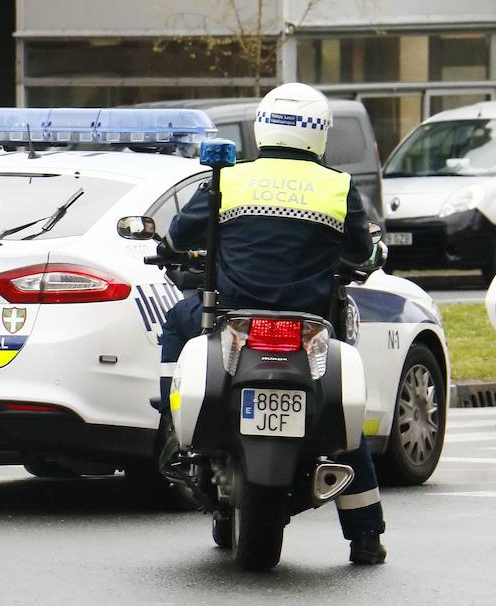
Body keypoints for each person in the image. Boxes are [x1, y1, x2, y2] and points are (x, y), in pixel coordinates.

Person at [157, 82, 387, 565]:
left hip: (234, 319)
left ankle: (171, 421)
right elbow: (362, 253)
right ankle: (365, 536)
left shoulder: (231, 178)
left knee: (178, 323)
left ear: (263, 128)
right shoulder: (338, 186)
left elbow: (179, 235)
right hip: (310, 326)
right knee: (342, 417)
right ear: (319, 134)